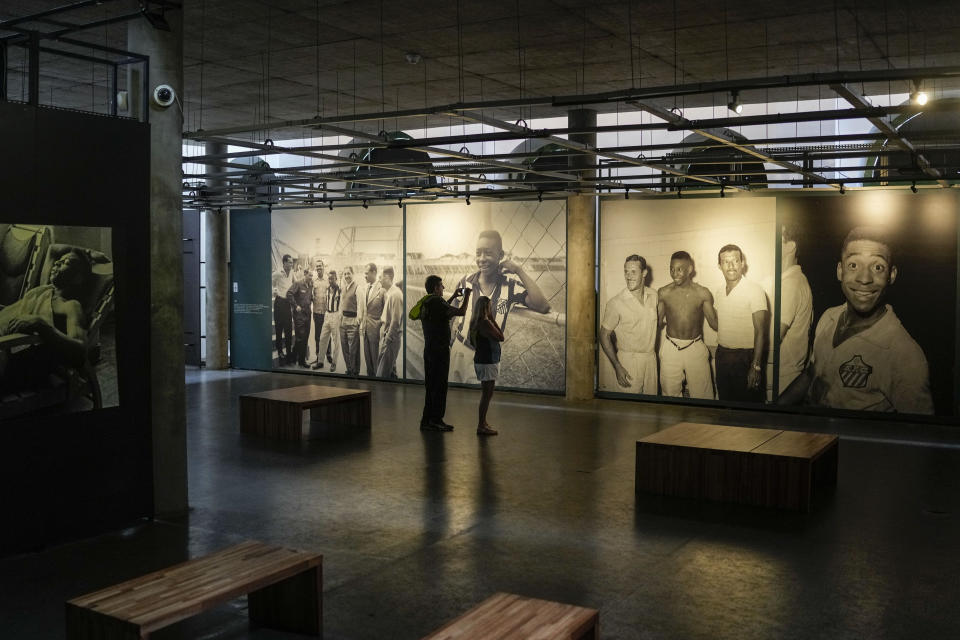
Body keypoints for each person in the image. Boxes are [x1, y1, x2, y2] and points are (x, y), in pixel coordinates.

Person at [781, 226, 933, 414]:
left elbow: (918, 434)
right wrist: (771, 413)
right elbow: (811, 373)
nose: (864, 278)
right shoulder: (829, 317)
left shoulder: (905, 354)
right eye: (853, 265)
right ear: (840, 271)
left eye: (878, 267)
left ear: (891, 275)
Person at [449, 229, 550, 383]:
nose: (482, 259)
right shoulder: (466, 281)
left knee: (480, 404)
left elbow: (542, 306)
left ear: (501, 255)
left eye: (488, 253)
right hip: (459, 350)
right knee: (454, 402)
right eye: (478, 253)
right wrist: (449, 337)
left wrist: (518, 270)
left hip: (487, 358)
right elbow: (453, 308)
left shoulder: (509, 287)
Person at [0, 249, 90, 388]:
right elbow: (53, 249)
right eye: (59, 260)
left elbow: (80, 351)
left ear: (78, 278)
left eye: (67, 262)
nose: (58, 262)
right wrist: (90, 253)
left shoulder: (70, 305)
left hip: (18, 359)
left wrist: (41, 325)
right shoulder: (43, 291)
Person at [656, 251, 718, 399]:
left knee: (703, 396)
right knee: (669, 394)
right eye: (671, 268)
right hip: (671, 346)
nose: (674, 273)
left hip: (695, 346)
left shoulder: (702, 293)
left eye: (679, 269)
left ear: (690, 269)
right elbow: (656, 323)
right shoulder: (664, 293)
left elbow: (715, 325)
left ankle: (701, 423)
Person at [713, 244, 769, 403]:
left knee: (749, 410)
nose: (731, 266)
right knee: (725, 405)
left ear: (742, 263)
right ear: (719, 266)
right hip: (722, 355)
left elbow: (760, 332)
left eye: (735, 261)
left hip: (745, 358)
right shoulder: (719, 292)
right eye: (726, 262)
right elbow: (720, 325)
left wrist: (755, 366)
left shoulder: (755, 290)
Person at [418, 274, 471, 431]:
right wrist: (467, 296)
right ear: (436, 288)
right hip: (440, 352)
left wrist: (454, 296)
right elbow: (461, 311)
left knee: (431, 386)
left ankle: (426, 420)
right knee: (440, 386)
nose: (444, 288)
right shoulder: (438, 302)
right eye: (442, 286)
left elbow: (442, 311)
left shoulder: (426, 302)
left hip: (429, 350)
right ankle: (437, 420)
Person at [599, 254, 657, 394]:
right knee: (629, 412)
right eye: (626, 271)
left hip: (650, 360)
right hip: (628, 362)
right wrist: (617, 367)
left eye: (633, 272)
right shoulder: (616, 303)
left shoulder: (654, 295)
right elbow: (604, 335)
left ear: (644, 273)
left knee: (651, 408)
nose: (628, 276)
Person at [778, 223, 813, 394]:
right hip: (785, 376)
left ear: (790, 246)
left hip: (783, 379)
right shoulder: (790, 280)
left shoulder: (791, 284)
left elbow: (771, 338)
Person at [469, 296, 505, 436]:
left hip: (481, 360)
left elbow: (472, 342)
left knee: (486, 393)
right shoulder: (485, 323)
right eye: (490, 306)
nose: (492, 309)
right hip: (488, 361)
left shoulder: (474, 322)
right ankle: (481, 425)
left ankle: (483, 423)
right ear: (486, 308)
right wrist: (492, 319)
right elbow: (501, 337)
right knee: (487, 394)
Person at [376, 266, 403, 378]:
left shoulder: (395, 295)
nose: (379, 280)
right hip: (388, 336)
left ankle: (381, 395)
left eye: (380, 277)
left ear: (387, 277)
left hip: (390, 339)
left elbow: (395, 321)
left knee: (382, 374)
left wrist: (387, 339)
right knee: (390, 372)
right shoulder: (390, 293)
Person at [359, 262, 384, 376]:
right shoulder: (366, 287)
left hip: (375, 330)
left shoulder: (382, 289)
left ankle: (377, 383)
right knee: (367, 359)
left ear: (374, 273)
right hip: (365, 328)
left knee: (375, 359)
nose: (365, 276)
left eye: (366, 273)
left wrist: (381, 328)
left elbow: (385, 313)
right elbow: (364, 309)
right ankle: (370, 381)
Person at [286, 267, 314, 368]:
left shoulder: (311, 285)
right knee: (301, 337)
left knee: (304, 337)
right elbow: (289, 293)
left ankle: (294, 356)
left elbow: (310, 297)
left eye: (312, 275)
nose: (311, 277)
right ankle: (301, 361)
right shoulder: (298, 283)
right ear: (305, 274)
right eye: (310, 275)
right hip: (299, 315)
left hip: (308, 314)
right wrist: (295, 305)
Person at [271, 253, 296, 365]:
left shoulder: (292, 273)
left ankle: (289, 353)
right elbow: (270, 283)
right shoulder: (277, 273)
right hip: (279, 303)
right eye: (290, 262)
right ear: (284, 263)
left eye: (292, 262)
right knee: (278, 329)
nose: (291, 264)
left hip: (287, 304)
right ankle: (280, 352)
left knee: (288, 330)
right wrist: (274, 290)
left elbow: (296, 284)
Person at [316, 270, 341, 372]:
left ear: (336, 279)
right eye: (329, 278)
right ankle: (320, 362)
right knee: (322, 339)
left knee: (336, 342)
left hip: (335, 315)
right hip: (327, 314)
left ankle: (334, 363)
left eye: (332, 278)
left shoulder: (340, 290)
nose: (330, 280)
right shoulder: (327, 289)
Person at [338, 265, 361, 375]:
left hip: (353, 321)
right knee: (345, 348)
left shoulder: (358, 287)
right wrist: (340, 318)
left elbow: (361, 307)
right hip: (343, 322)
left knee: (353, 350)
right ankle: (349, 369)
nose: (346, 275)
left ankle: (354, 371)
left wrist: (358, 322)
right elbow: (342, 304)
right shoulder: (343, 288)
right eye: (345, 274)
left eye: (348, 273)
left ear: (353, 274)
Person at [310, 257, 330, 369]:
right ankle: (318, 355)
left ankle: (328, 354)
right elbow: (311, 295)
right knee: (317, 335)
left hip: (326, 312)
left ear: (323, 267)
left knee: (328, 335)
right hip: (317, 312)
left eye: (320, 266)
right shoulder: (313, 281)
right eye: (317, 266)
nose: (318, 268)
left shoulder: (328, 280)